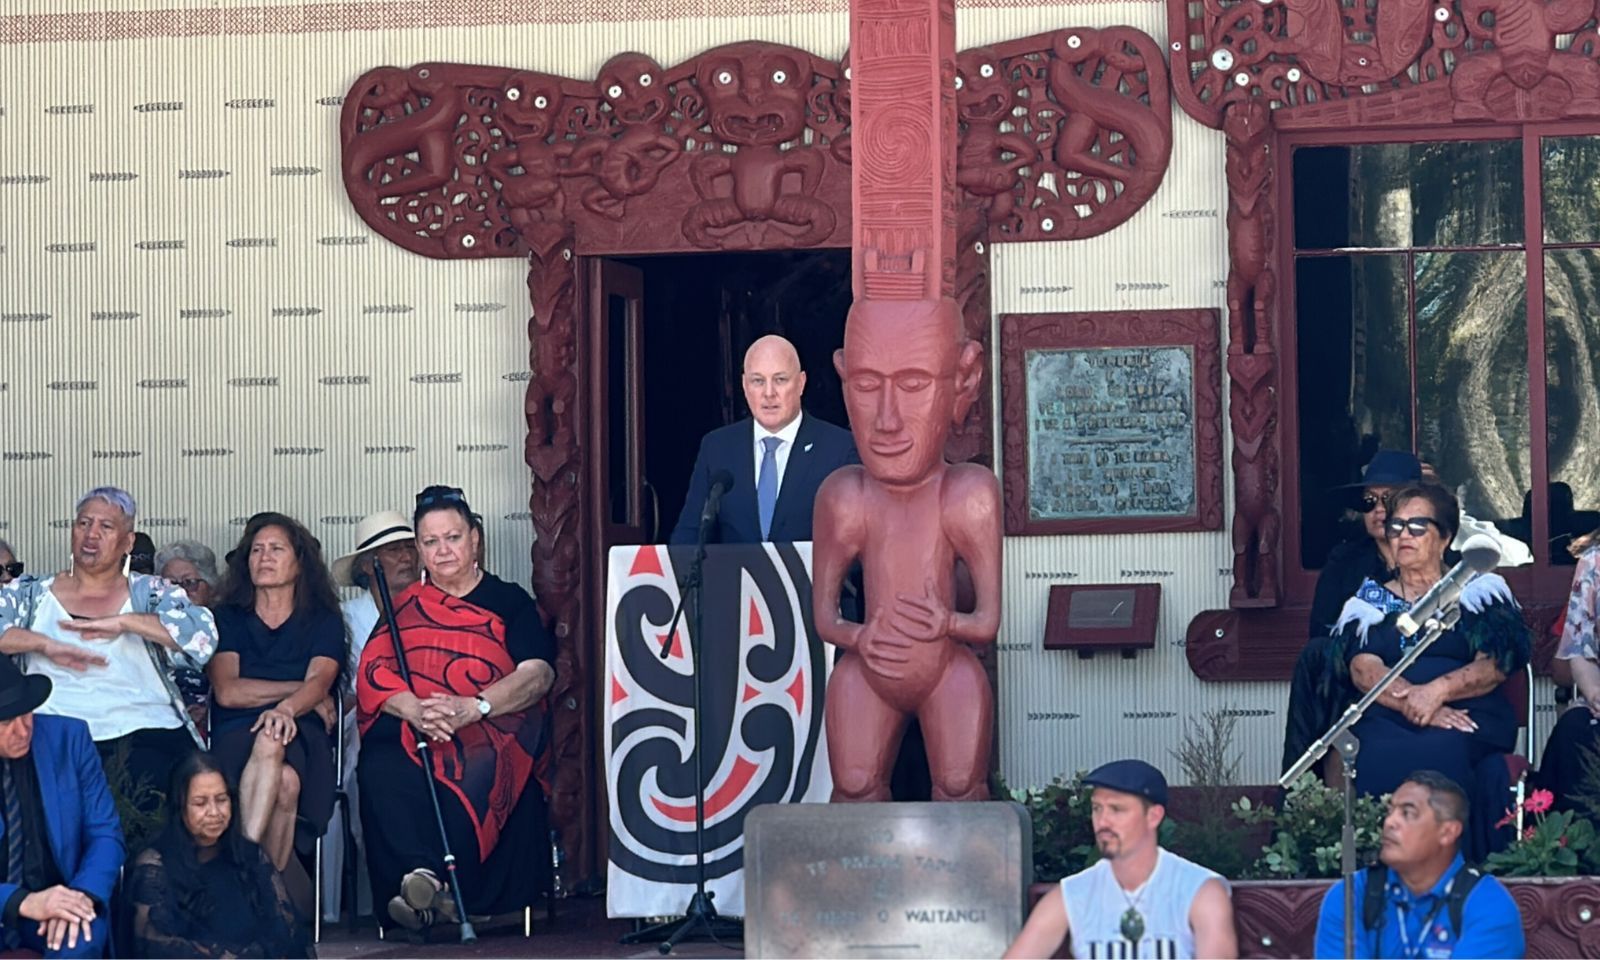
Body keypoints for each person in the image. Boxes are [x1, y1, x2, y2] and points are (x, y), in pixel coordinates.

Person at [356, 486, 556, 932]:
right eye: (430, 542)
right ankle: (428, 888)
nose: (443, 550)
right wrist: (415, 710)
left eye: (453, 537)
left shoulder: (510, 601)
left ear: (475, 539)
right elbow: (374, 671)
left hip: (490, 721)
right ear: (420, 549)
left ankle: (429, 888)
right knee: (382, 758)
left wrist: (474, 707)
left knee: (475, 759)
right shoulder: (405, 605)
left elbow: (538, 674)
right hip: (421, 720)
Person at [1330, 484, 1530, 860]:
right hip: (1390, 714)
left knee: (1444, 746)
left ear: (1446, 537)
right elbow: (1363, 669)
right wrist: (1418, 703)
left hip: (1469, 715)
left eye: (1417, 526)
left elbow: (1497, 663)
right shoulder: (1368, 602)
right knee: (1371, 751)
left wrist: (1437, 691)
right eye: (1396, 526)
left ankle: (1450, 872)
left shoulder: (1479, 589)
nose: (1403, 535)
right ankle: (1384, 871)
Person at [0, 487, 215, 800]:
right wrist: (44, 643)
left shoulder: (152, 593)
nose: (91, 534)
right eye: (84, 524)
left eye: (106, 527)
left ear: (128, 542)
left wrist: (126, 622)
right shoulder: (31, 592)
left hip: (145, 731)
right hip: (55, 731)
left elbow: (202, 639)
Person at [208, 514, 343, 872]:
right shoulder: (228, 617)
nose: (264, 557)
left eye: (276, 549)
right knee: (283, 781)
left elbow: (321, 680)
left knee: (274, 741)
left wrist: (288, 709)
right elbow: (228, 691)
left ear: (300, 564)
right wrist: (298, 694)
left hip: (302, 732)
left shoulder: (323, 619)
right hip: (236, 731)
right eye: (256, 550)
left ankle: (245, 877)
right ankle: (265, 893)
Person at [1005, 759, 1236, 959]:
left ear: (1153, 816)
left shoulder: (1198, 890)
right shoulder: (1072, 894)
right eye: (1097, 808)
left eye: (1117, 809)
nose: (1103, 821)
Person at [1282, 451, 1416, 775]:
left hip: (1420, 667)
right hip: (1350, 682)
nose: (1379, 510)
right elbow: (1323, 629)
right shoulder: (1345, 559)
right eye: (1369, 501)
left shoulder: (1442, 559)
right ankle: (1303, 798)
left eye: (1389, 499)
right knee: (1317, 657)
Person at [322, 510, 419, 923]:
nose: (407, 558)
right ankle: (380, 902)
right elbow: (339, 692)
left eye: (410, 548)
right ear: (367, 564)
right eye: (394, 550)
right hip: (361, 730)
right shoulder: (346, 619)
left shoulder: (431, 608)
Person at [670, 334, 858, 545]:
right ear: (744, 384)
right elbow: (688, 537)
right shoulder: (717, 448)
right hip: (733, 578)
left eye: (780, 380)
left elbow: (857, 544)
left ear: (801, 383)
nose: (769, 393)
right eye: (758, 381)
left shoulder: (839, 449)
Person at [1314, 771, 1523, 959]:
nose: (1389, 822)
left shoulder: (1489, 905)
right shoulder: (1352, 895)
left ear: (1448, 832)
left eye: (1408, 813)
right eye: (1390, 811)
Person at [125, 752, 313, 958]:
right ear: (180, 807)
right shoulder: (155, 866)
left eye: (221, 800)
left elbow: (284, 929)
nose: (214, 812)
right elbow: (154, 945)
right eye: (200, 803)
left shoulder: (248, 855)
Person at [0, 656, 124, 957]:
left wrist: (80, 897)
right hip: (8, 899)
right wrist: (21, 902)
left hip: (62, 895)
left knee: (81, 936)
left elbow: (106, 834)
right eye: (5, 722)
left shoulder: (69, 739)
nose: (22, 730)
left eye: (26, 713)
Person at [1534, 524, 1600, 811]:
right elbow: (1579, 648)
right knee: (1574, 730)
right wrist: (1595, 694)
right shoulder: (1594, 562)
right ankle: (1569, 849)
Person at [155, 541, 222, 609]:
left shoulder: (224, 617)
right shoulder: (152, 617)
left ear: (210, 588)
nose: (179, 591)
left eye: (189, 582)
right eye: (171, 583)